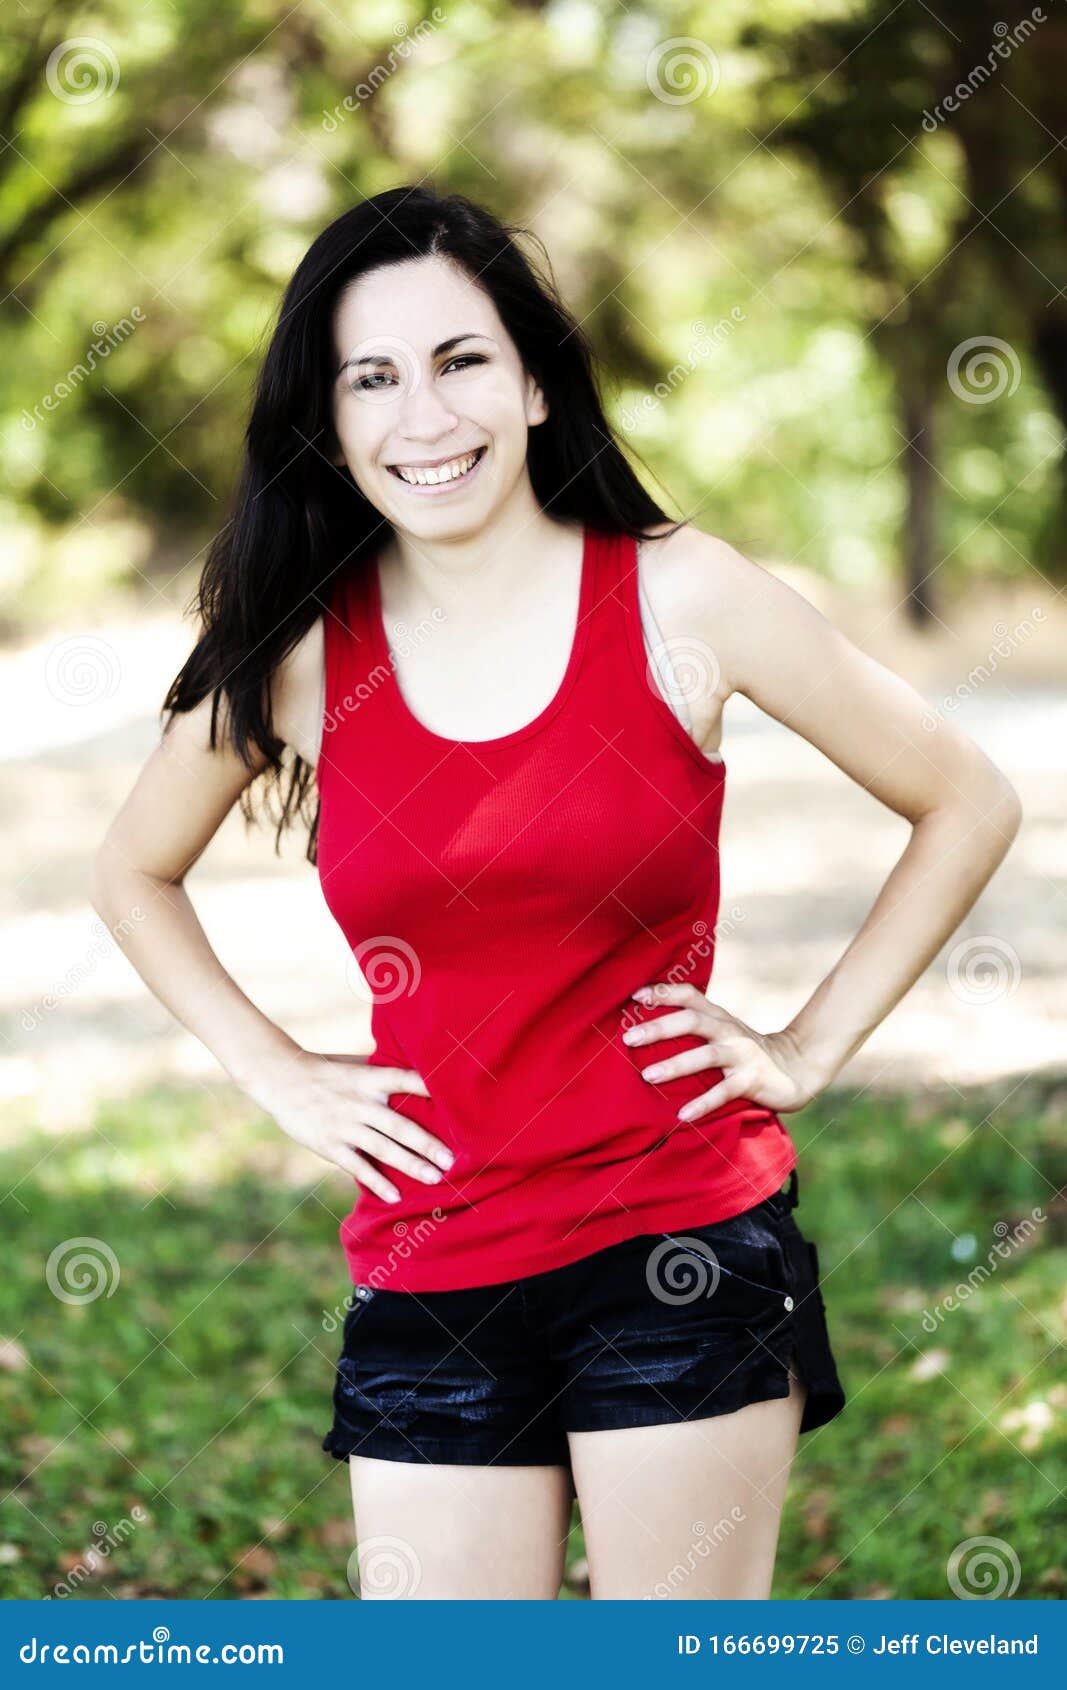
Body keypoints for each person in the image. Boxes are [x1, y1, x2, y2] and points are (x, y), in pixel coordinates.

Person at [89, 185, 1022, 1601]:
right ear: (330, 422)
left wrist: (806, 1044)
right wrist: (271, 1066)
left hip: (680, 1243)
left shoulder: (681, 598)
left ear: (532, 380)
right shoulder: (296, 655)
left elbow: (967, 796)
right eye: (372, 377)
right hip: (432, 1257)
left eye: (462, 359)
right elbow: (132, 867)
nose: (425, 414)